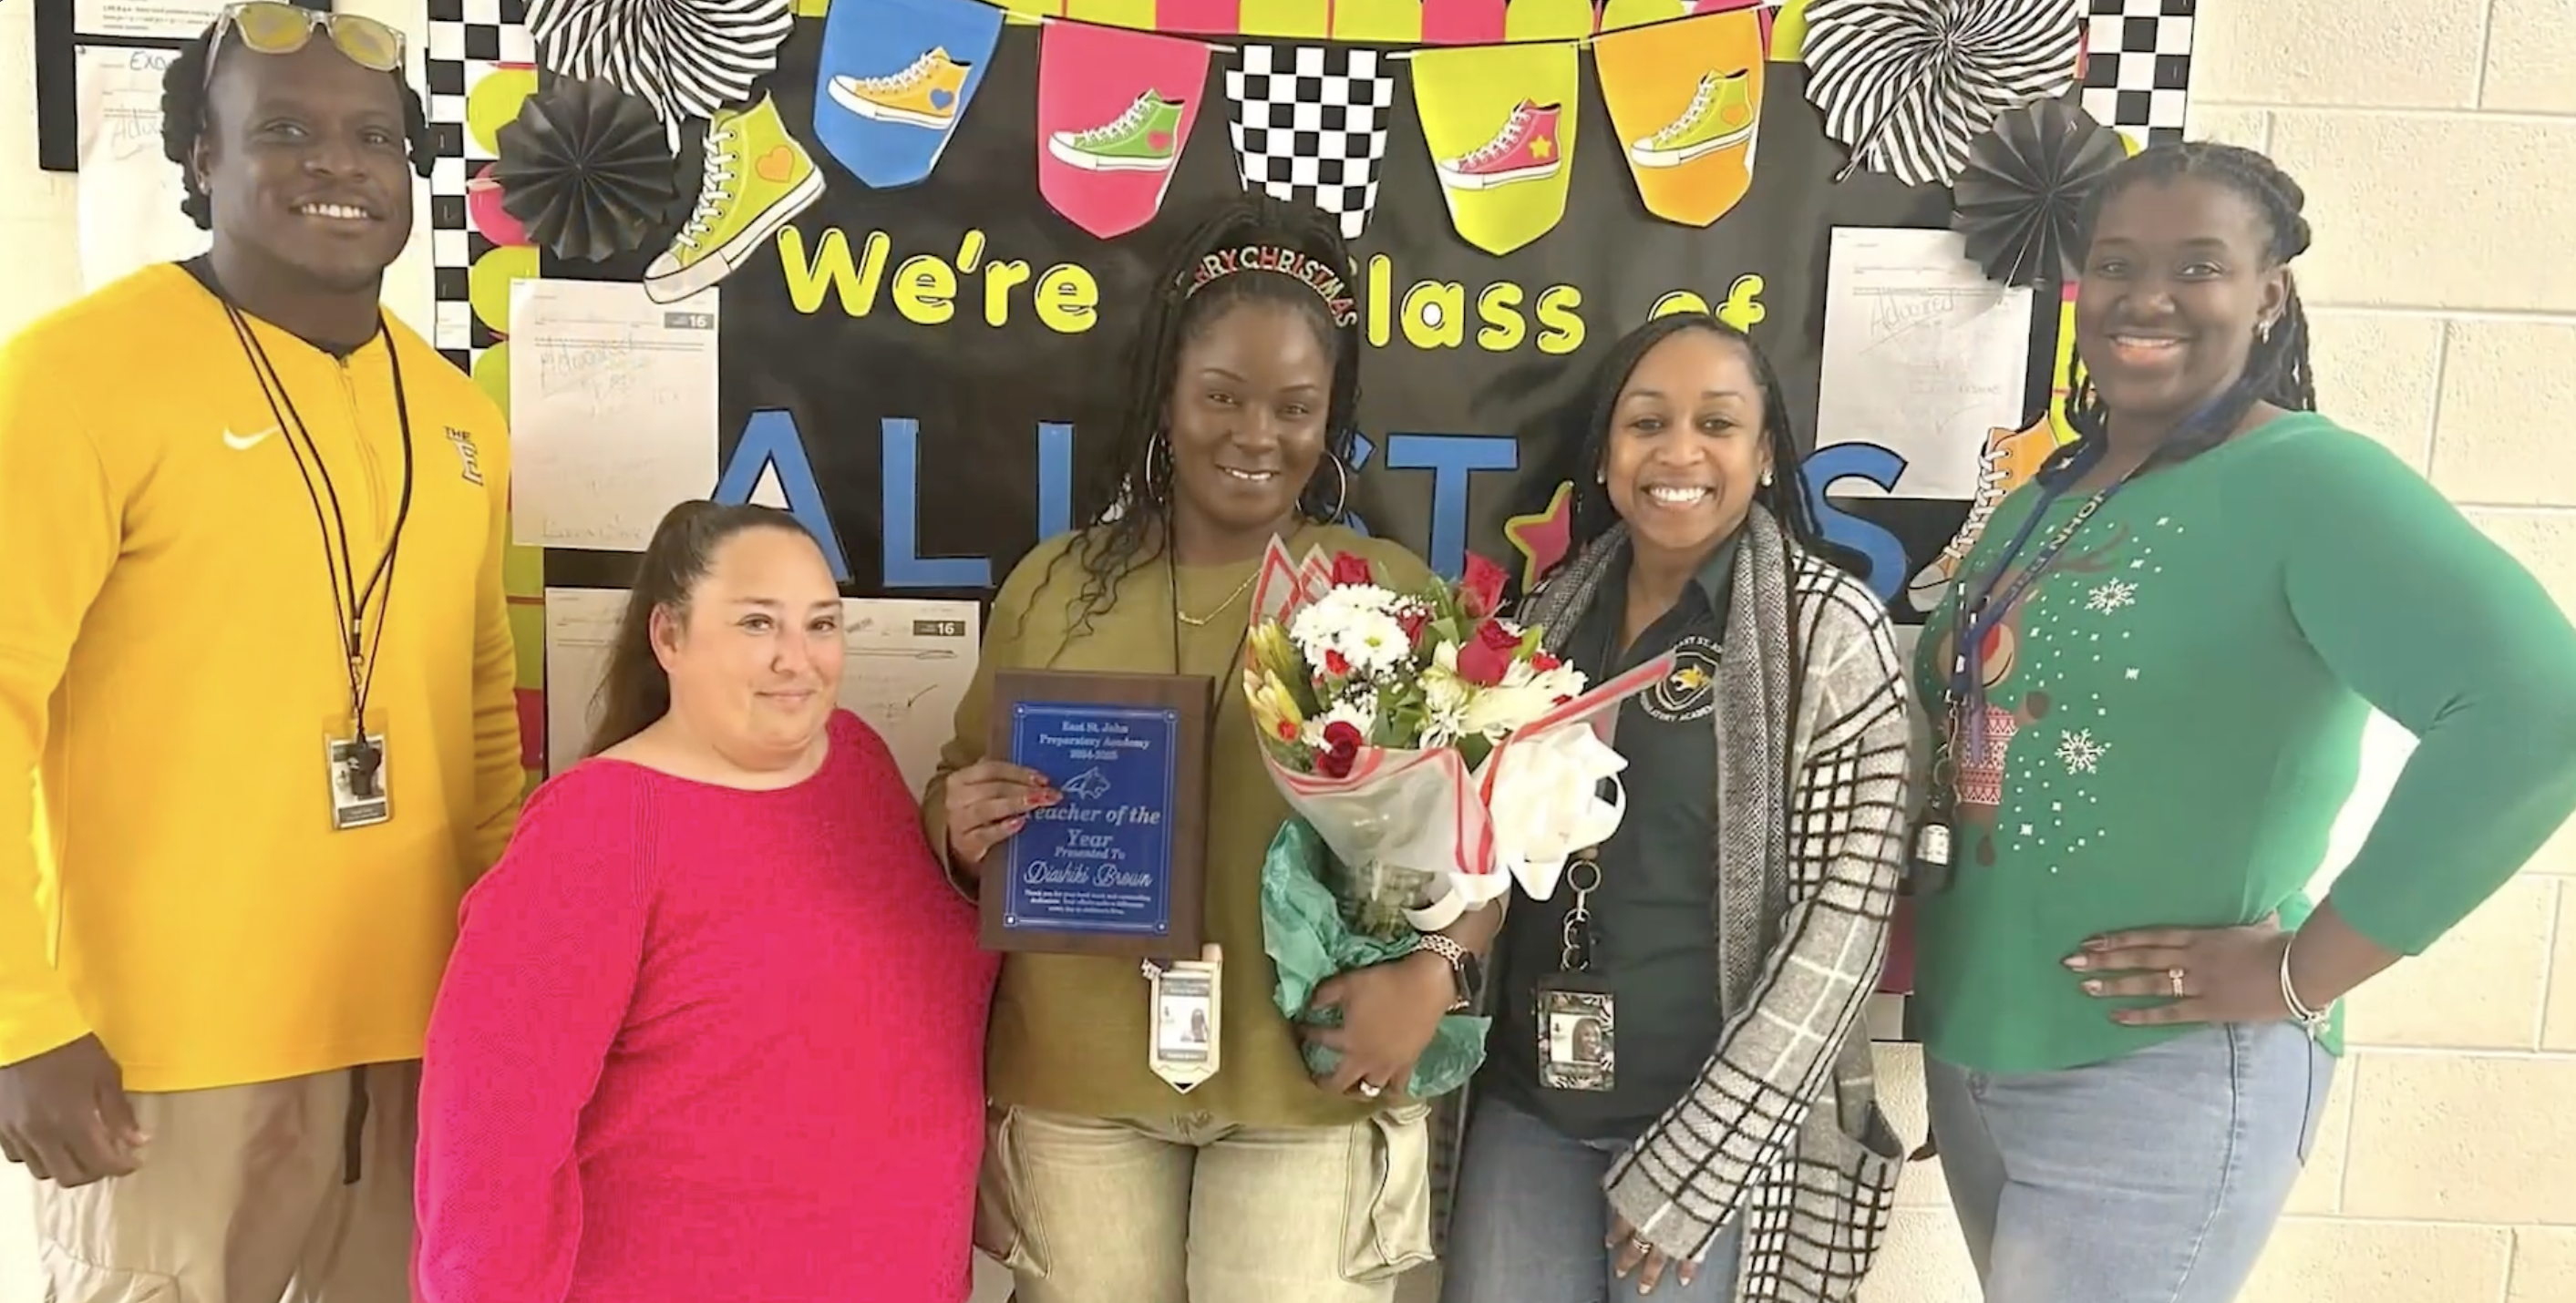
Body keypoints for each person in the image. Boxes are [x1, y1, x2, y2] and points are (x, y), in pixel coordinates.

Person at [1909, 140, 2576, 1303]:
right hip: (1981, 1050)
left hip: (2150, 1069)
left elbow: (2539, 706)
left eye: (2198, 265)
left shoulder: (2310, 483)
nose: (2145, 296)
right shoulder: (2051, 491)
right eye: (2115, 262)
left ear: (2269, 293)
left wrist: (2306, 971)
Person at [0, 8, 521, 1298]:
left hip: (415, 1039)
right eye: (282, 129)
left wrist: (512, 988)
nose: (336, 164)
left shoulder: (459, 415)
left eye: (372, 137)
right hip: (157, 1053)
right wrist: (19, 1021)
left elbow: (479, 719)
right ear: (198, 159)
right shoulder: (70, 379)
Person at [926, 193, 1490, 1303]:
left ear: (1331, 417)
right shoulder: (1056, 583)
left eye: (1294, 405)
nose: (1254, 434)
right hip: (1077, 1079)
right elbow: (956, 791)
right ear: (1166, 398)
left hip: (1312, 1074)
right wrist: (956, 827)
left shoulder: (1386, 594)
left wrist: (1440, 972)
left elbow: (1488, 837)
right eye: (1221, 396)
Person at [1435, 314, 1913, 1303]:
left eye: (1718, 423)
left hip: (1715, 1141)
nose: (1679, 452)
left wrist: (1696, 1163)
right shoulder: (1544, 622)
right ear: (1606, 454)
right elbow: (1480, 854)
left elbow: (1845, 933)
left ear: (1766, 450)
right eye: (1646, 422)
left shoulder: (1826, 632)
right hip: (1527, 1116)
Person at [415, 502, 998, 1302]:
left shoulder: (854, 760)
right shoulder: (598, 830)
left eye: (821, 624)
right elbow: (489, 1136)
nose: (799, 659)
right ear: (670, 638)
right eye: (758, 624)